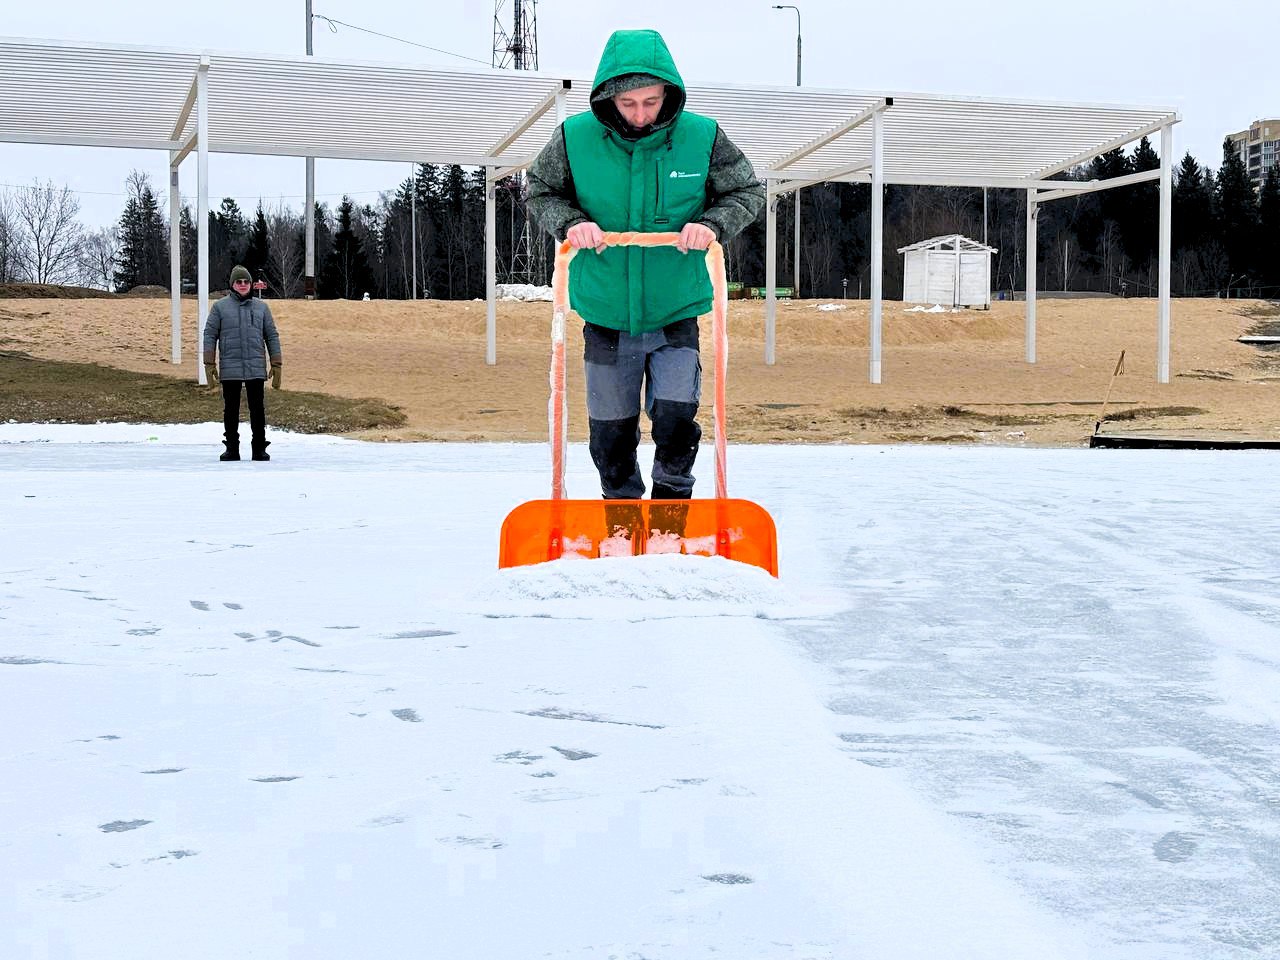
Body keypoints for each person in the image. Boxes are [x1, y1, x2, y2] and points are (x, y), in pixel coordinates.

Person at [526, 28, 764, 528]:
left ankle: (670, 515)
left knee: (677, 422)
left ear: (668, 95)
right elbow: (540, 191)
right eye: (628, 102)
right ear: (608, 96)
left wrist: (712, 224)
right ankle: (623, 521)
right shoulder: (574, 138)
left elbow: (746, 191)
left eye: (651, 102)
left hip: (675, 308)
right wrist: (571, 223)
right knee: (611, 434)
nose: (639, 114)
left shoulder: (703, 137)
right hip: (606, 312)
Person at [202, 265, 282, 461]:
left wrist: (277, 363)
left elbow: (271, 335)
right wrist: (209, 363)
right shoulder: (219, 307)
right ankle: (231, 448)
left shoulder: (261, 307)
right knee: (231, 409)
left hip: (255, 367)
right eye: (239, 282)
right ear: (232, 284)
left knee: (257, 409)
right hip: (230, 367)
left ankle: (259, 448)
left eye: (246, 281)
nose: (243, 285)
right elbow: (210, 335)